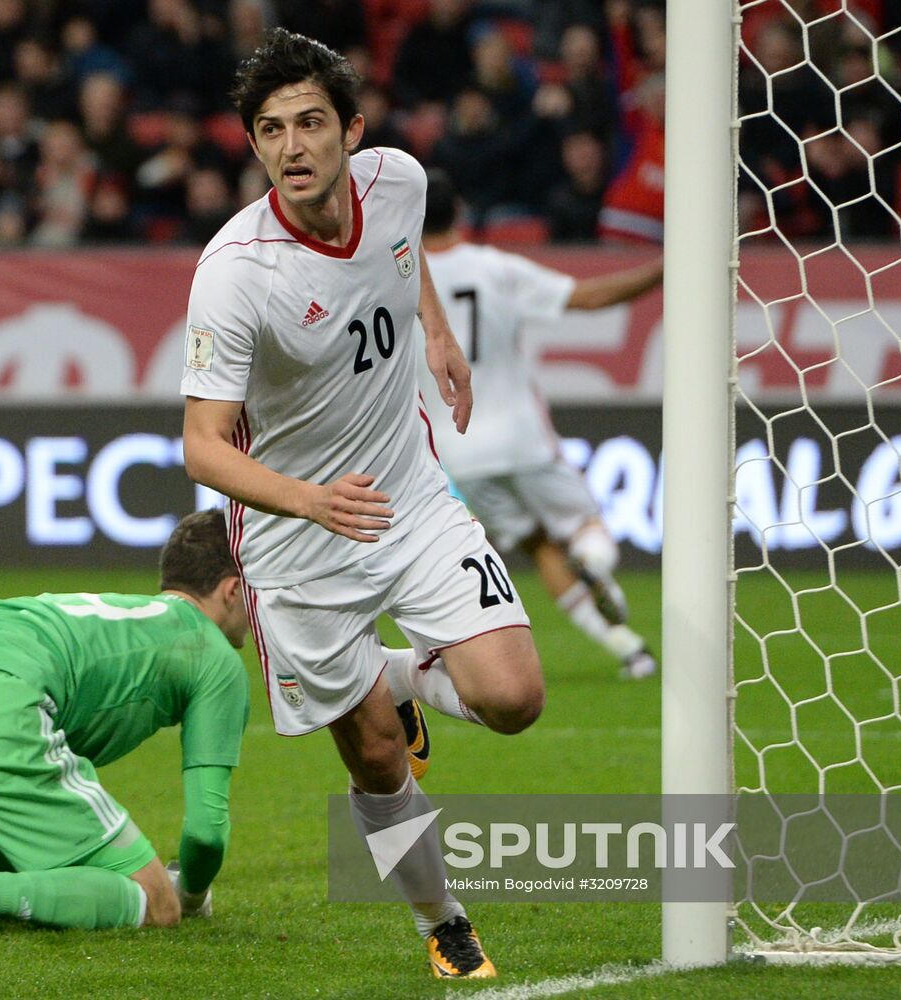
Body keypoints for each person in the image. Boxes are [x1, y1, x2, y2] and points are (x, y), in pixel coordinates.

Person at [181, 28, 545, 980]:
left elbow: (400, 246)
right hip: (295, 543)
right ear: (253, 144)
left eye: (309, 123)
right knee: (377, 758)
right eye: (269, 130)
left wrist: (435, 329)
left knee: (512, 698)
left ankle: (391, 674)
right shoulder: (235, 273)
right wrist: (307, 501)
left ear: (352, 129)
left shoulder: (400, 180)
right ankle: (443, 920)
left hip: (406, 493)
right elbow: (201, 446)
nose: (291, 147)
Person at [0, 510, 250, 936]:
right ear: (233, 590)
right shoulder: (213, 655)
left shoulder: (110, 610)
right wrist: (190, 894)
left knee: (35, 876)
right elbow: (206, 833)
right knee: (153, 901)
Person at [417, 168, 663, 679]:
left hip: (458, 447)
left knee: (534, 544)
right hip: (522, 436)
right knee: (585, 529)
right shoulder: (495, 268)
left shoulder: (401, 281)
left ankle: (628, 649)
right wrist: (666, 268)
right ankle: (594, 563)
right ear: (460, 212)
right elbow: (591, 297)